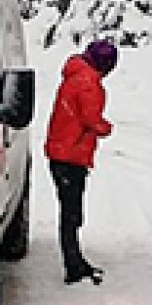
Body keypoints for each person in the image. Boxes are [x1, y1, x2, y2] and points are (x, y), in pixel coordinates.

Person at [45, 39, 117, 284]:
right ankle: (73, 267)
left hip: (60, 153)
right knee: (71, 214)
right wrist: (106, 128)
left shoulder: (75, 76)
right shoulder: (88, 83)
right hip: (70, 156)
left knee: (70, 211)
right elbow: (91, 119)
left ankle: (75, 261)